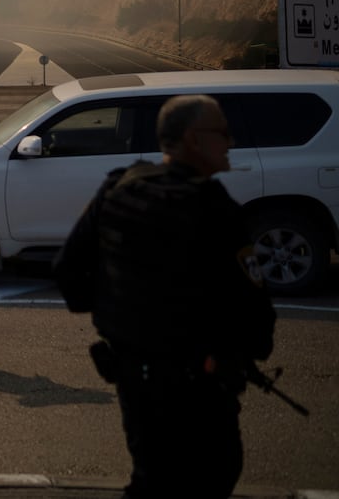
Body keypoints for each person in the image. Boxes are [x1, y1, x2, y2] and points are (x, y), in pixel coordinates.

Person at [53, 94, 275, 499]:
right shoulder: (215, 207)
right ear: (193, 140)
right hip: (200, 387)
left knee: (149, 478)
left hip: (133, 375)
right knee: (214, 476)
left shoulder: (119, 186)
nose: (231, 140)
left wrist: (122, 320)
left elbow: (69, 273)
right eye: (221, 132)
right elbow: (256, 312)